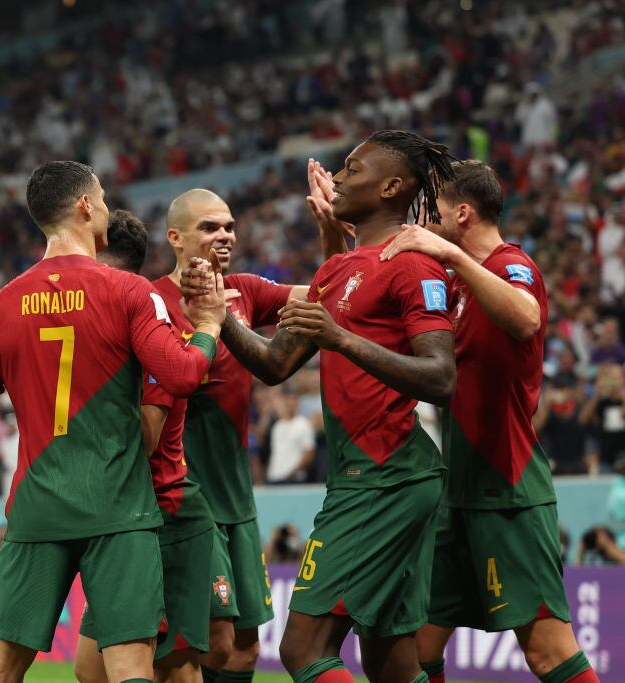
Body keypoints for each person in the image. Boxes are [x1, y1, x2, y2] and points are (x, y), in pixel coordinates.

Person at [0, 161, 227, 683]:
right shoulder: (129, 293)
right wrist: (208, 325)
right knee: (129, 667)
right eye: (101, 195)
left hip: (37, 509)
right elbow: (184, 374)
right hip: (118, 510)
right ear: (85, 207)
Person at [187, 130, 458, 683]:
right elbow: (273, 364)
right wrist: (219, 317)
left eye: (352, 170)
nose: (337, 177)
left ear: (390, 187)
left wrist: (342, 340)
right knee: (391, 658)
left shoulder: (412, 263)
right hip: (366, 476)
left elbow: (441, 376)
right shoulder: (336, 269)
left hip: (389, 475)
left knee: (303, 647)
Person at [381, 160, 601, 683]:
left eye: (432, 209)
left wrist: (452, 255)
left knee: (547, 655)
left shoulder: (511, 265)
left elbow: (526, 317)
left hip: (507, 489)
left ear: (462, 213)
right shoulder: (456, 289)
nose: (425, 220)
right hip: (457, 494)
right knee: (414, 649)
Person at [152, 186, 311, 683]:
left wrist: (334, 234)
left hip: (238, 503)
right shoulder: (150, 300)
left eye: (228, 226)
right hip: (184, 500)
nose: (224, 235)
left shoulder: (244, 290)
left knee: (244, 647)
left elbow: (329, 295)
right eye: (209, 227)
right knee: (207, 643)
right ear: (175, 238)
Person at [74, 209, 218, 683]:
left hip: (165, 514)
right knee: (90, 671)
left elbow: (146, 436)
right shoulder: (109, 327)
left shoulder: (152, 329)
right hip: (122, 518)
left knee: (175, 669)